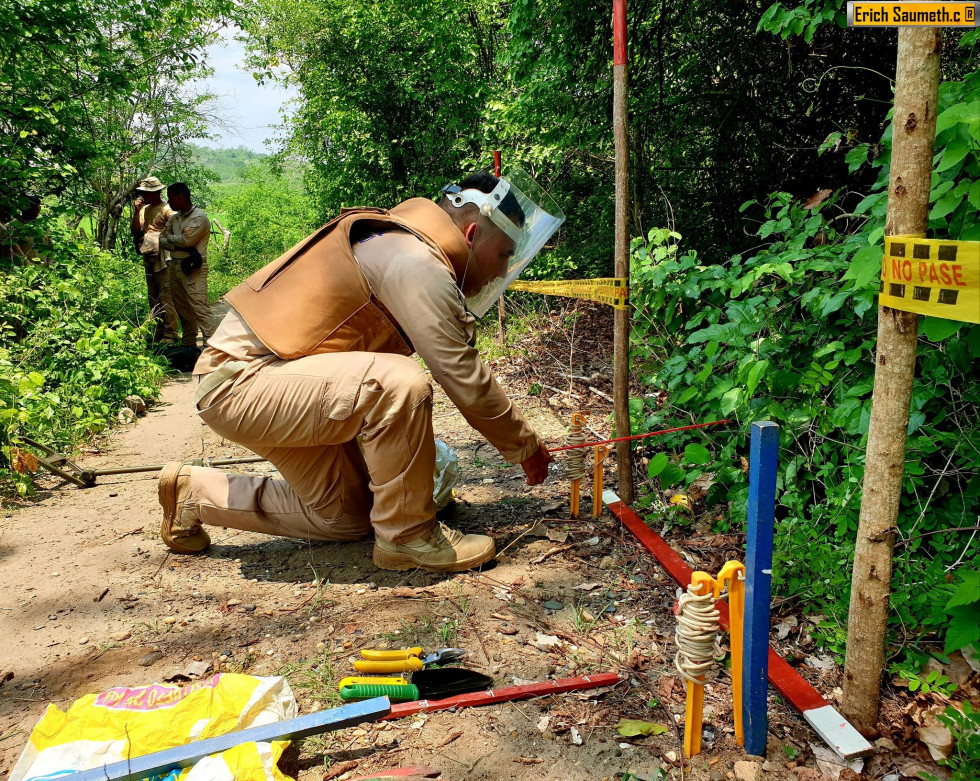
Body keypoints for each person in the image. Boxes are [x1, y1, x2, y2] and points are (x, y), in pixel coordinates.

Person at [156, 169, 564, 573]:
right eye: (505, 255)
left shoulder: (401, 244)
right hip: (240, 383)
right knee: (398, 384)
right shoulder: (415, 260)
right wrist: (525, 446)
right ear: (473, 235)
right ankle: (408, 536)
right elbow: (458, 370)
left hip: (273, 383)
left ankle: (193, 494)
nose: (500, 271)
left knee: (347, 518)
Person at [159, 182, 213, 348]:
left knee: (199, 306)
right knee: (182, 308)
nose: (169, 202)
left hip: (192, 269)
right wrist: (178, 242)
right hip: (175, 266)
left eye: (171, 198)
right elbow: (161, 239)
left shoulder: (199, 217)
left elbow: (187, 240)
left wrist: (174, 240)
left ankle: (212, 346)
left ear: (180, 197)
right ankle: (188, 344)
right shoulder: (175, 218)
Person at [129, 177, 179, 343]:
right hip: (149, 255)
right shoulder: (144, 209)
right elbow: (136, 231)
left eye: (146, 193)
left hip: (164, 258)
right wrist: (137, 211)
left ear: (156, 192)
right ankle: (158, 331)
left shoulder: (167, 209)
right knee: (154, 296)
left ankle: (171, 334)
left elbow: (177, 230)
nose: (143, 196)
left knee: (166, 296)